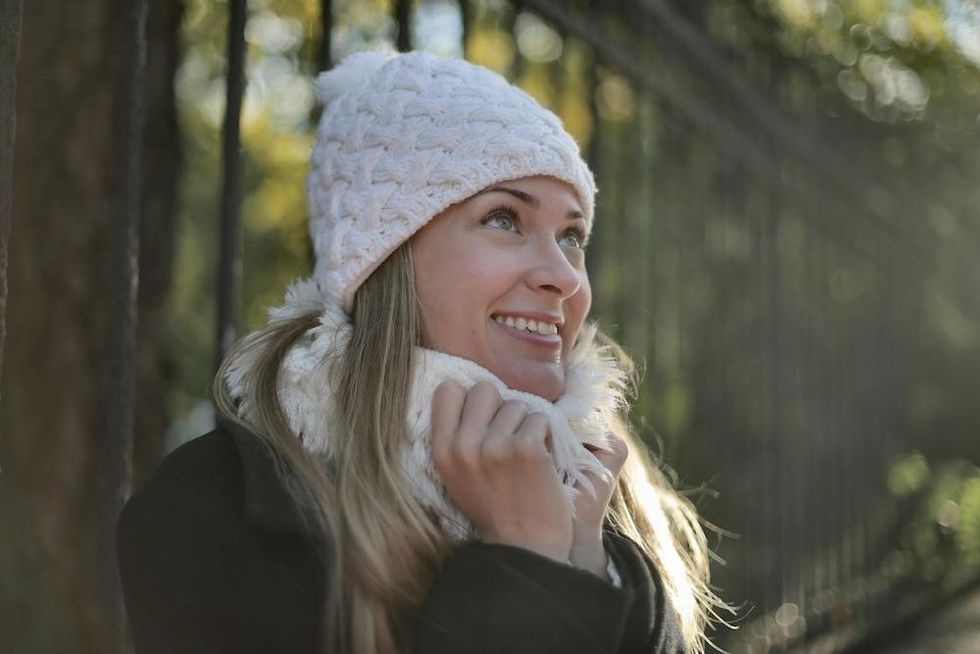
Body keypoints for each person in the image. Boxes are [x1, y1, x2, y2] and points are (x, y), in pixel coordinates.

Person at [116, 49, 725, 654]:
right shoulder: (210, 513)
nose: (564, 277)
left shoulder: (605, 499)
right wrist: (527, 564)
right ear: (386, 260)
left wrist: (583, 564)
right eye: (505, 219)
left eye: (571, 235)